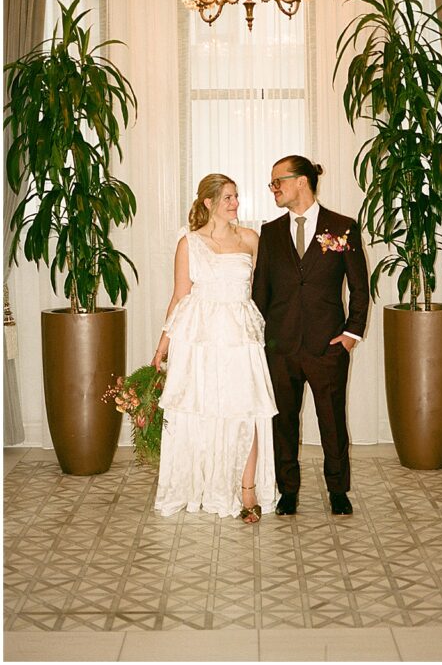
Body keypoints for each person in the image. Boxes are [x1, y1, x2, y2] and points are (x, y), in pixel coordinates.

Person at [153, 174, 278, 524]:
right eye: (227, 197)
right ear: (208, 203)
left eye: (236, 196)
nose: (235, 203)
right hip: (200, 337)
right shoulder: (189, 243)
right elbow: (179, 296)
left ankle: (247, 489)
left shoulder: (251, 239)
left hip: (241, 335)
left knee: (248, 409)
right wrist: (162, 346)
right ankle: (204, 486)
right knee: (202, 410)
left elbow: (262, 289)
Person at [252, 156, 370, 518]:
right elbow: (260, 293)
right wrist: (259, 340)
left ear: (301, 181)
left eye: (277, 182)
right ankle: (288, 491)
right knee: (282, 422)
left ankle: (338, 490)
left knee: (332, 422)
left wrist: (350, 334)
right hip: (280, 347)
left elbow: (360, 288)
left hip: (327, 346)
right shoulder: (269, 233)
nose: (274, 189)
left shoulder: (342, 226)